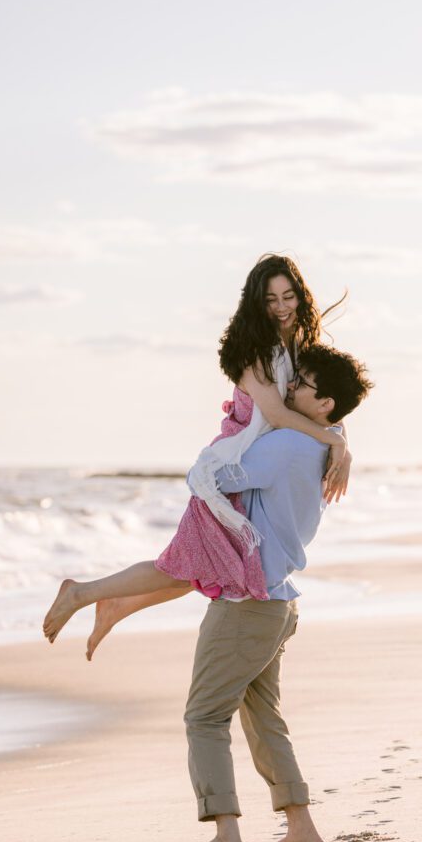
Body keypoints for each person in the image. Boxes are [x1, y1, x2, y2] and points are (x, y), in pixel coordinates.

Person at [42, 254, 351, 651]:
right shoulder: (253, 352)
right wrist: (334, 441)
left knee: (197, 568)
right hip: (230, 466)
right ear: (257, 303)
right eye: (271, 300)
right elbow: (276, 412)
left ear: (300, 297)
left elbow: (330, 401)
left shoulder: (301, 347)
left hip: (259, 468)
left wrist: (344, 442)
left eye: (288, 297)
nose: (281, 308)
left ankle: (113, 605)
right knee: (182, 566)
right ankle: (82, 594)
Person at [181, 344, 373, 842]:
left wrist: (236, 435)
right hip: (278, 601)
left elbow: (218, 479)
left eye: (301, 385)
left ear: (325, 403)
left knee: (204, 716)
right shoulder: (317, 448)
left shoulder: (288, 444)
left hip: (249, 601)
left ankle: (226, 835)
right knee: (263, 717)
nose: (288, 390)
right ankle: (302, 827)